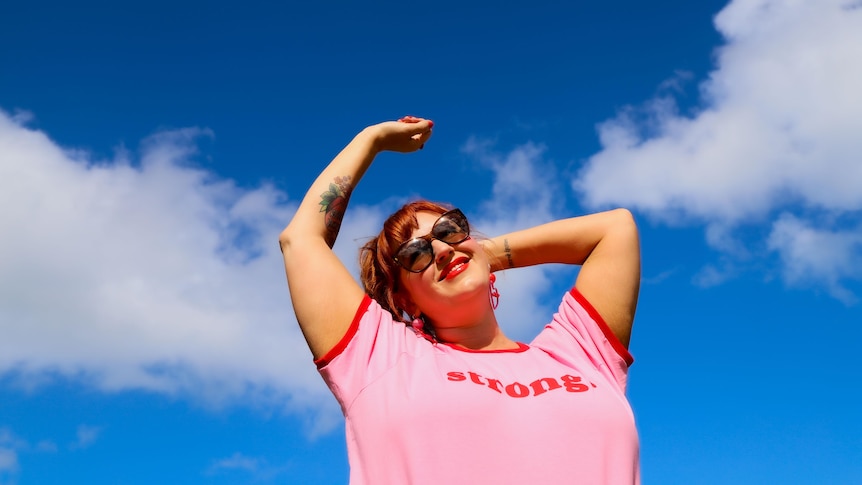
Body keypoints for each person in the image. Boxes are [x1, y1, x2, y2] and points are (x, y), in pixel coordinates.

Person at [279, 116, 641, 484]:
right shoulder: (380, 358)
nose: (438, 249)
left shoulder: (580, 353)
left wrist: (474, 254)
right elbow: (301, 239)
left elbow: (615, 229)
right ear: (406, 299)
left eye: (449, 230)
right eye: (415, 254)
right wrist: (372, 139)